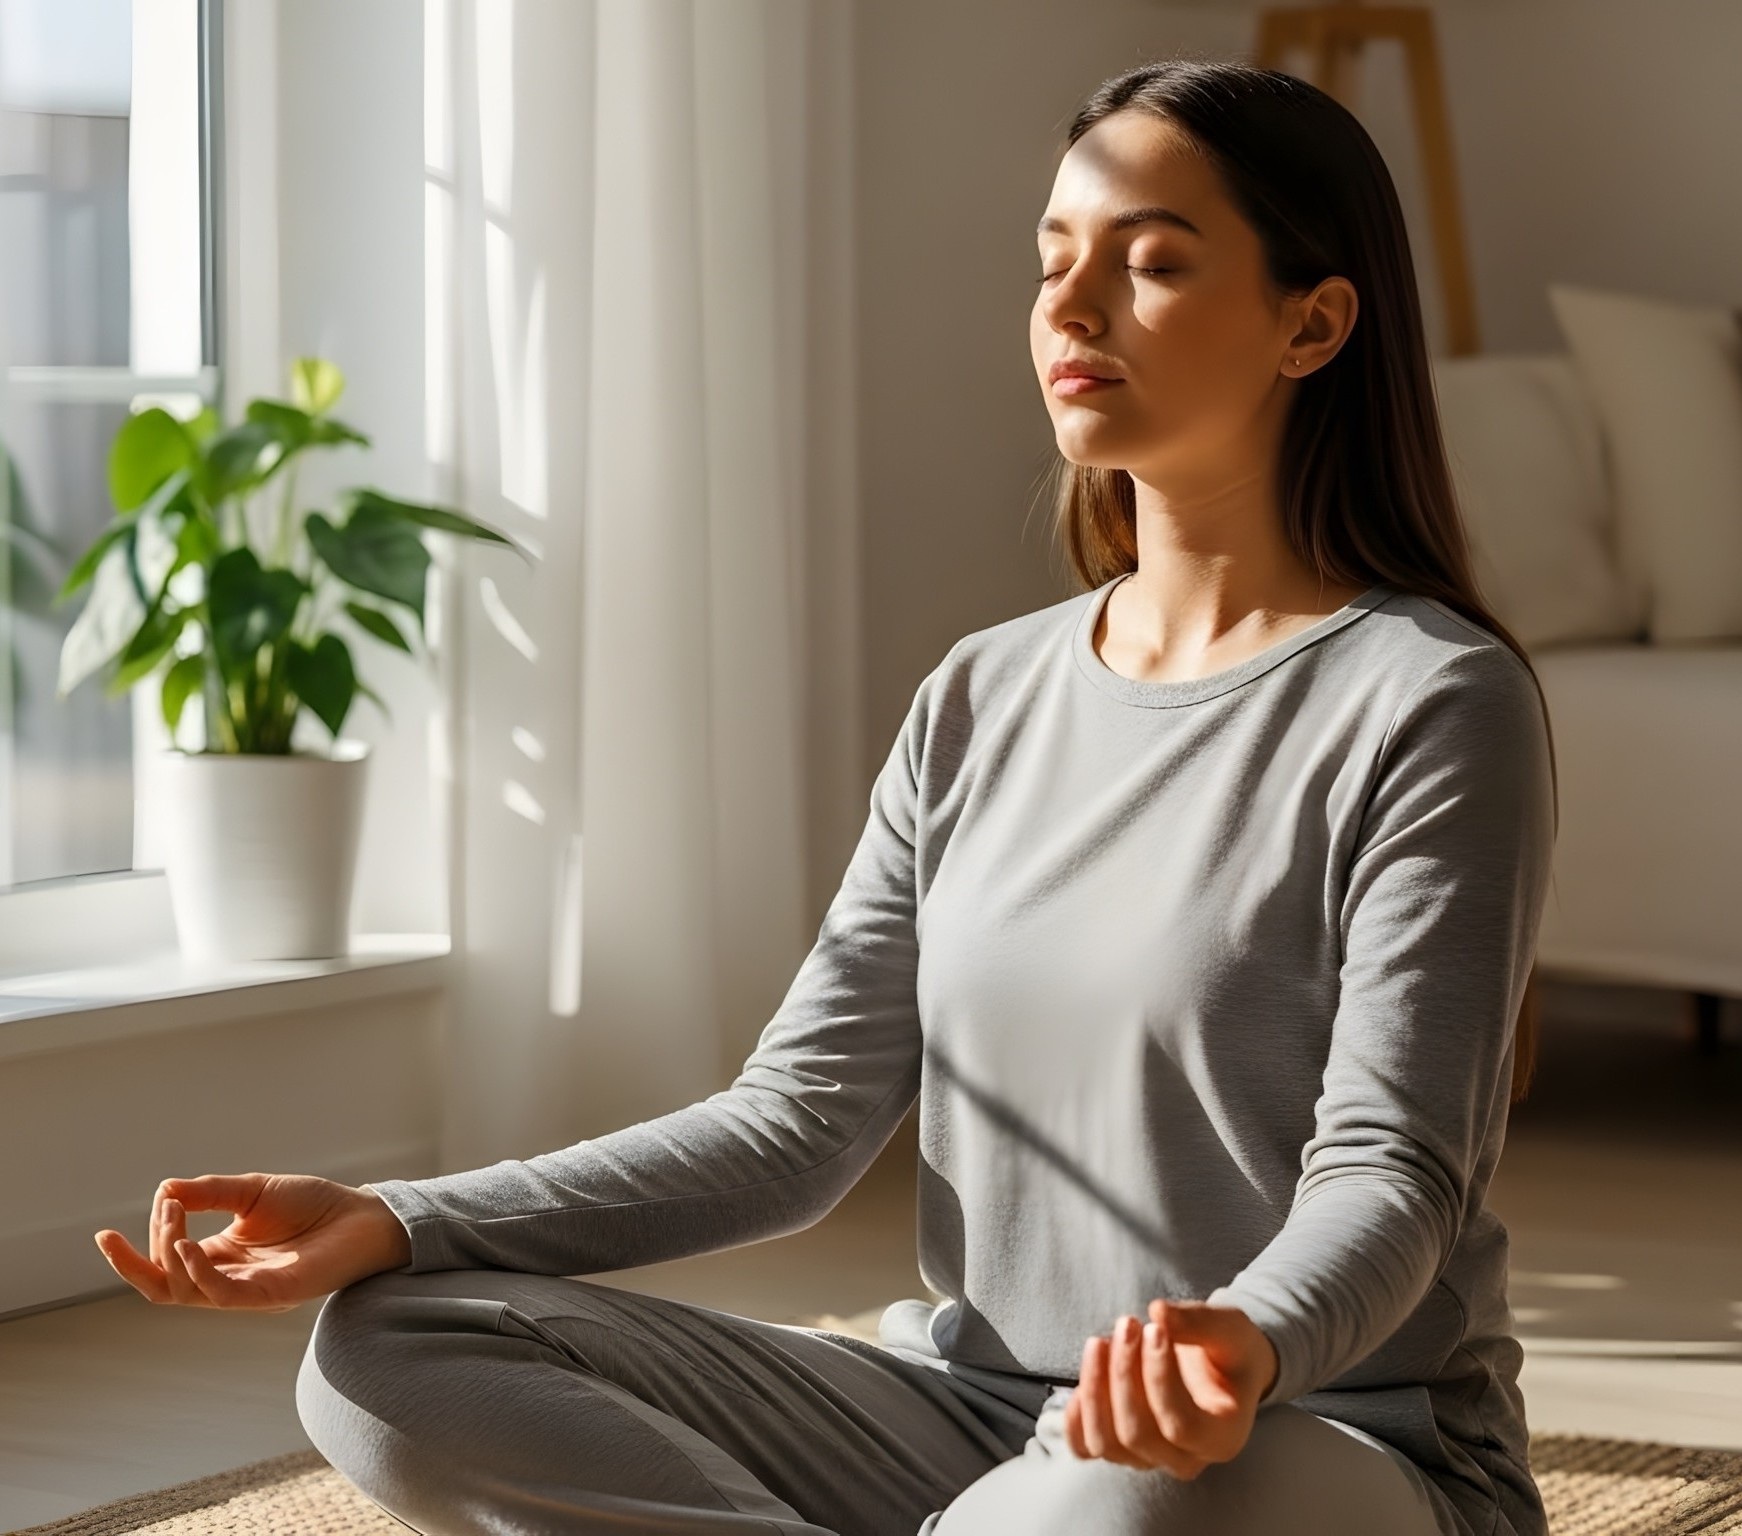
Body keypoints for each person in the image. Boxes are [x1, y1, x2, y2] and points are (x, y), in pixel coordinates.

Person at [90, 59, 1556, 1536]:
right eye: (1051, 264)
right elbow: (796, 1125)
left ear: (1311, 322)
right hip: (974, 1417)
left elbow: (1390, 1174)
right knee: (388, 1348)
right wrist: (405, 1217)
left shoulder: (1428, 699)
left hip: (1304, 1441)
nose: (1070, 305)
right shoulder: (981, 694)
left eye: (1153, 262)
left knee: (1104, 1512)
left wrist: (1242, 1341)